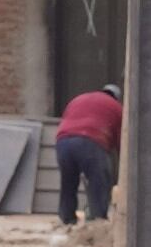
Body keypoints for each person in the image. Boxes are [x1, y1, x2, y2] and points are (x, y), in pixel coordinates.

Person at [52, 82, 124, 224]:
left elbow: (67, 120)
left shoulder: (79, 99)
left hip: (63, 141)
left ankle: (67, 219)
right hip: (91, 141)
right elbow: (121, 140)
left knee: (68, 183)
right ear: (116, 97)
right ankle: (97, 220)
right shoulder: (116, 107)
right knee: (99, 181)